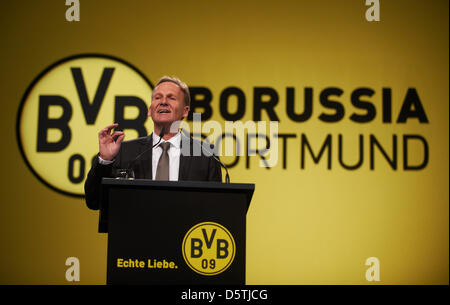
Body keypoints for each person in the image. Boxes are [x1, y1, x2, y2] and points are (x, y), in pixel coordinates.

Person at [84, 76, 222, 210]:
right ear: (150, 110)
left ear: (185, 111)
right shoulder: (125, 151)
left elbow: (216, 206)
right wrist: (105, 161)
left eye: (171, 98)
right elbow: (94, 201)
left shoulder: (206, 154)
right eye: (158, 98)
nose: (163, 102)